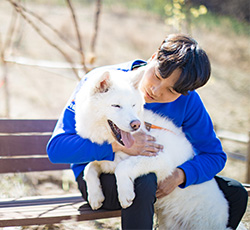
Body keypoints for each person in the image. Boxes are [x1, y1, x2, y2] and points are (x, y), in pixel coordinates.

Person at [46, 34, 248, 229]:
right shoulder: (106, 83)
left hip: (160, 170)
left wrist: (180, 175)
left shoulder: (187, 101)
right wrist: (116, 145)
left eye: (171, 91)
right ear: (153, 58)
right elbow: (57, 149)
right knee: (143, 181)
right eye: (158, 76)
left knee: (235, 192)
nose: (157, 90)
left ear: (186, 91)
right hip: (101, 177)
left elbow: (214, 156)